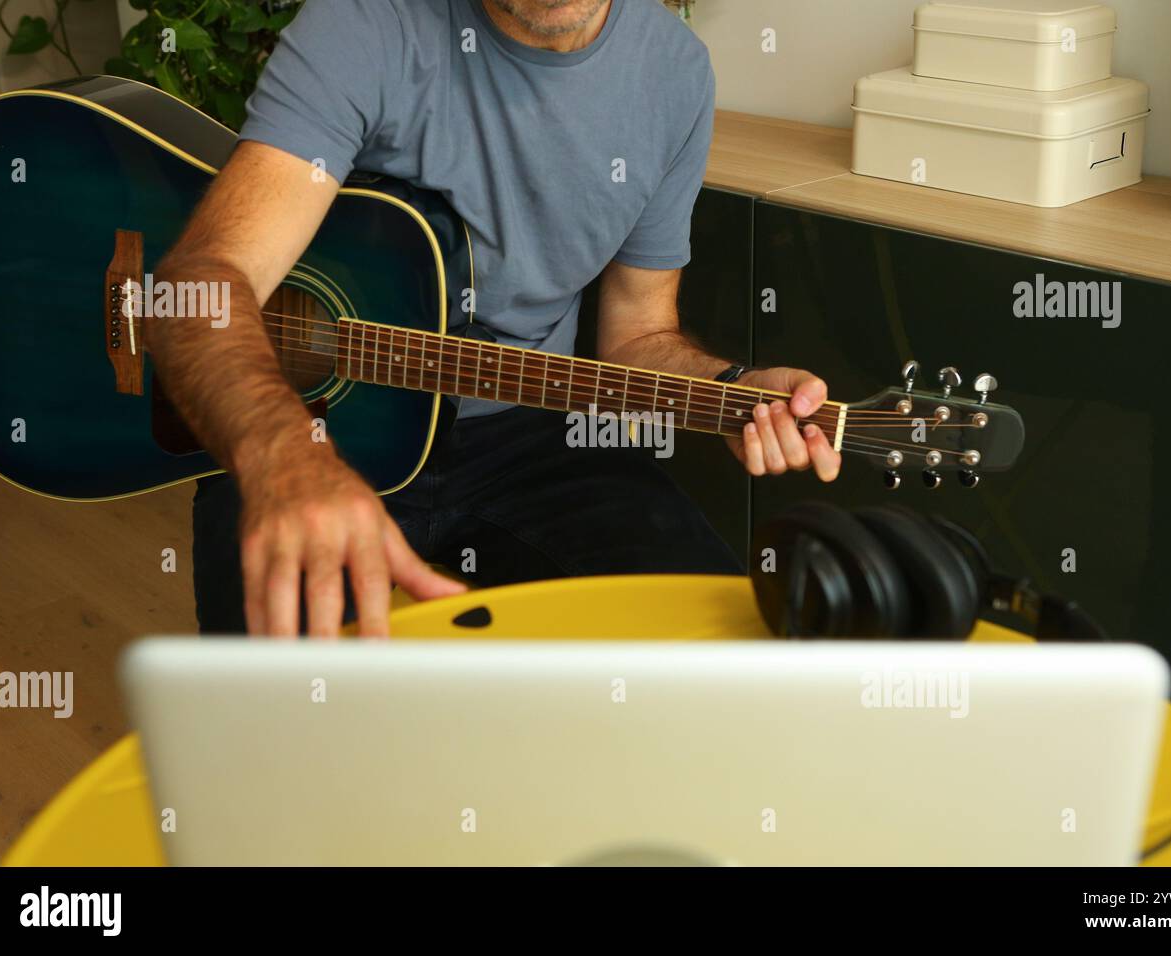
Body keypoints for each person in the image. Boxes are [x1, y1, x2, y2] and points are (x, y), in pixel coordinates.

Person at [147, 0, 841, 639]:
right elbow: (203, 281)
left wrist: (732, 385)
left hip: (532, 432)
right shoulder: (363, 26)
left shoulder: (674, 73)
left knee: (714, 645)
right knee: (288, 723)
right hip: (321, 424)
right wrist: (282, 454)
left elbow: (637, 335)